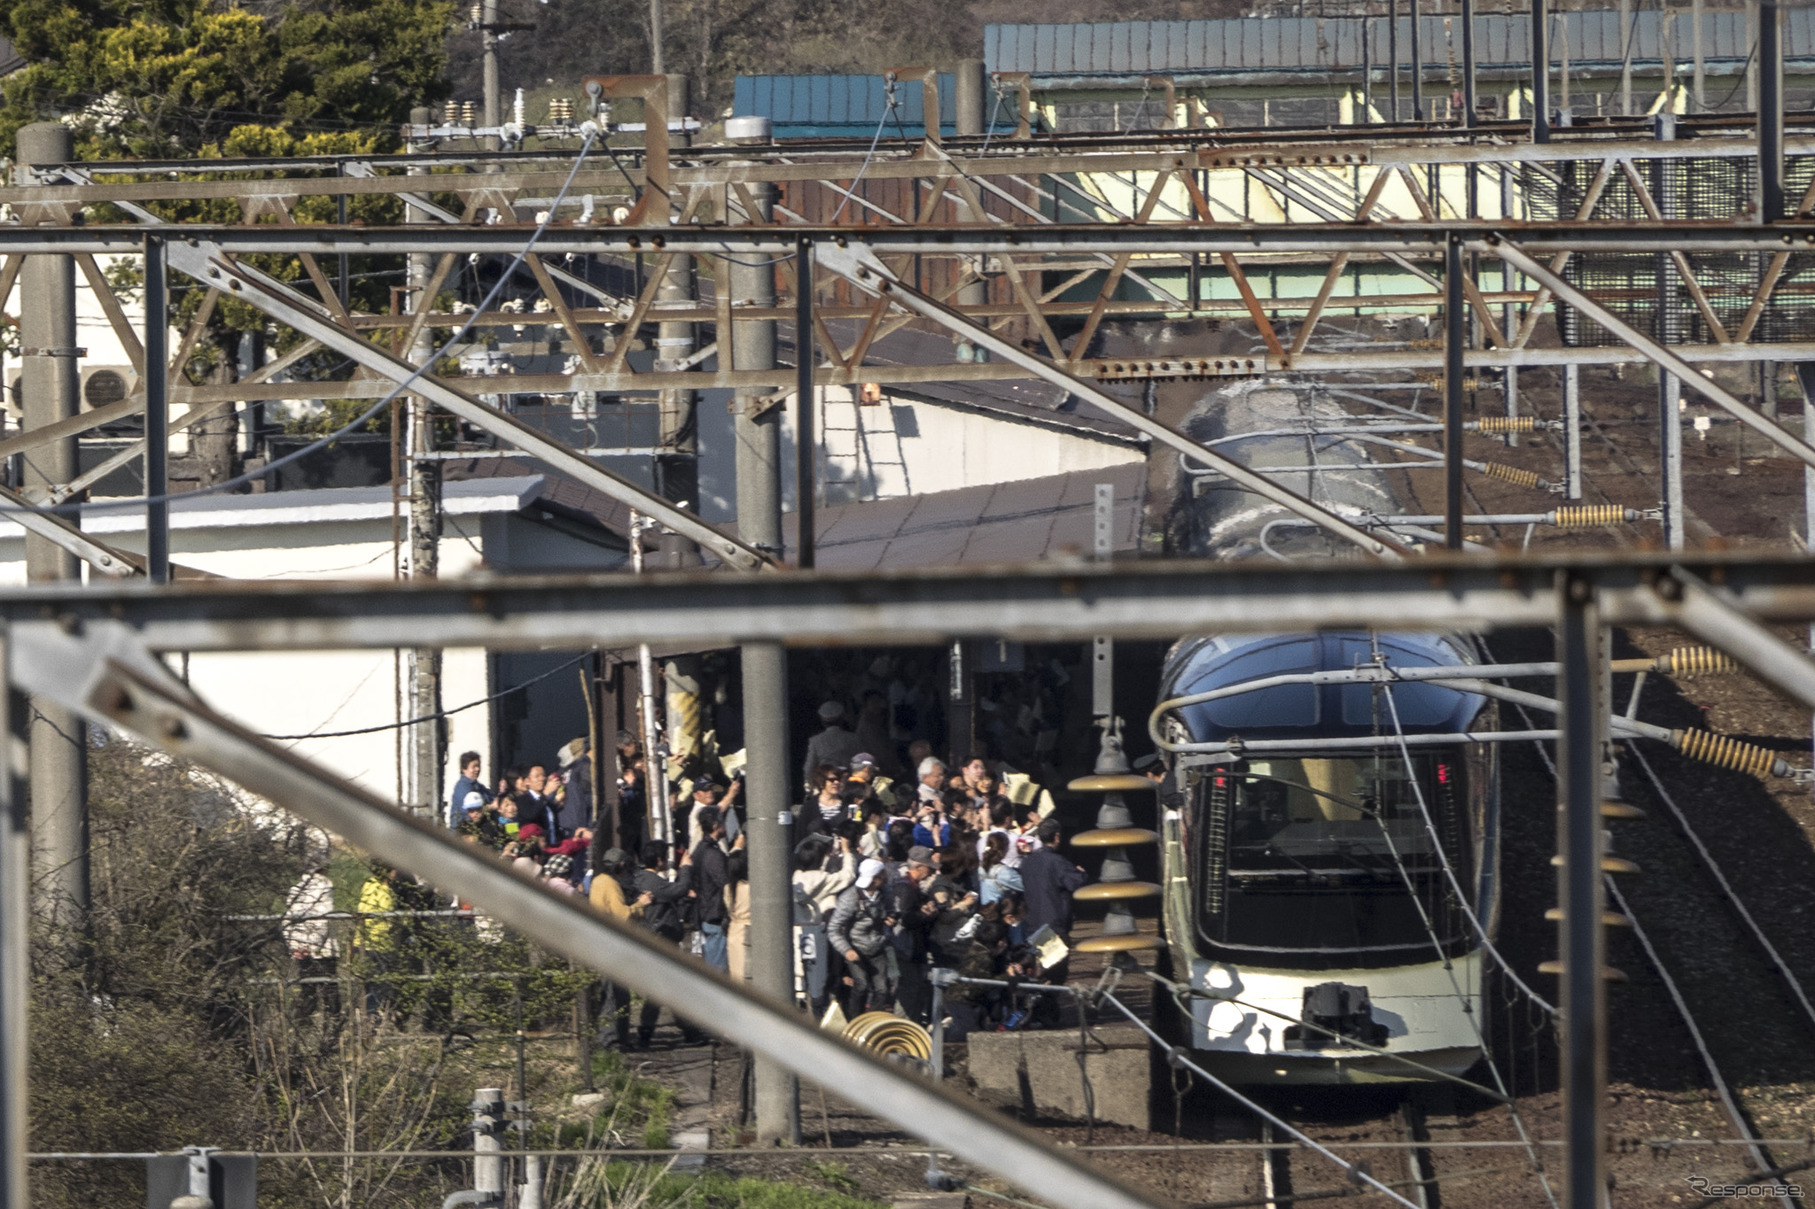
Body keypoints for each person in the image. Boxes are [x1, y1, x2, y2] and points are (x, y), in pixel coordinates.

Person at [630, 841, 703, 1047]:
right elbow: (679, 890)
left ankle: (678, 1031)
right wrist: (686, 868)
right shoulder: (652, 882)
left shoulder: (642, 878)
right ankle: (687, 1031)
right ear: (659, 859)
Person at [589, 848, 652, 1050]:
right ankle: (611, 1041)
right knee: (614, 995)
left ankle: (618, 1037)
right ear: (622, 865)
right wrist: (639, 905)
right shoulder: (612, 885)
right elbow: (622, 915)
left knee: (616, 993)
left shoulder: (597, 881)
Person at [827, 858, 895, 1016]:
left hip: (878, 947)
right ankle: (854, 1021)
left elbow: (890, 911)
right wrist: (846, 950)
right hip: (856, 948)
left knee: (882, 990)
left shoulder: (885, 893)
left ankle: (871, 1020)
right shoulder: (850, 897)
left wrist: (890, 918)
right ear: (876, 877)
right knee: (861, 985)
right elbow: (833, 928)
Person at [283, 865, 340, 1021]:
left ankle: (299, 1026)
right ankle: (332, 1027)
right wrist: (311, 946)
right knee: (330, 992)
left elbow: (287, 921)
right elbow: (323, 919)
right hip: (323, 950)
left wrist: (296, 946)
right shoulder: (324, 886)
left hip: (302, 950)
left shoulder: (296, 889)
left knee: (308, 990)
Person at [1018, 818, 1086, 942]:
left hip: (1031, 923)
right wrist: (1081, 873)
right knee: (1057, 959)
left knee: (1036, 959)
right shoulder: (1057, 861)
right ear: (1057, 836)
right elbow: (1074, 883)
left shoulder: (1026, 862)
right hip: (1054, 923)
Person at [353, 862, 401, 1025]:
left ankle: (373, 1020)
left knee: (376, 985)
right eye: (394, 868)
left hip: (375, 943)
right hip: (375, 944)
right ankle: (371, 1022)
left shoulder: (378, 887)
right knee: (375, 986)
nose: (396, 872)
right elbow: (370, 915)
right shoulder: (377, 889)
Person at [690, 806, 731, 974]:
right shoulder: (712, 854)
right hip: (714, 915)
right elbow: (724, 883)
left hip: (705, 913)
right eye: (722, 823)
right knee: (718, 970)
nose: (725, 826)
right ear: (715, 826)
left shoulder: (699, 850)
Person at [802, 701, 862, 791]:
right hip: (848, 785)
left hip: (824, 785)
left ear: (822, 721)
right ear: (842, 719)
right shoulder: (853, 738)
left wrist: (812, 786)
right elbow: (860, 762)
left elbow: (809, 767)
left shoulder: (815, 741)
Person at [726, 835, 751, 982]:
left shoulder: (728, 888)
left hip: (733, 930)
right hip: (747, 931)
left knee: (735, 973)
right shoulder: (749, 888)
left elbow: (735, 861)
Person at [979, 831, 1024, 905]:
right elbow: (1026, 886)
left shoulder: (982, 866)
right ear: (1005, 849)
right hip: (998, 911)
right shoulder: (1004, 872)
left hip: (985, 908)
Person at [450, 751, 491, 828]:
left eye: (478, 766)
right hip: (464, 831)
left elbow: (491, 797)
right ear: (464, 769)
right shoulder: (462, 787)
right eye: (474, 766)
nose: (477, 769)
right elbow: (467, 812)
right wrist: (490, 807)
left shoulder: (478, 786)